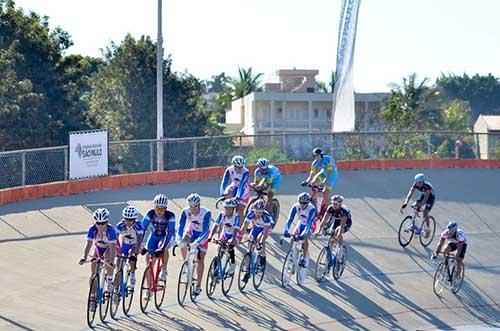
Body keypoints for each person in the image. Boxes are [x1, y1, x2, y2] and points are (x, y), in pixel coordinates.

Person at [79, 208, 117, 311]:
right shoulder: (92, 229)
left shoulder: (111, 230)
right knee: (93, 272)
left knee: (109, 259)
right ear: (95, 222)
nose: (100, 225)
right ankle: (92, 296)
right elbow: (89, 244)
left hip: (109, 248)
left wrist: (112, 262)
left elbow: (113, 248)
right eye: (98, 223)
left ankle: (109, 280)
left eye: (103, 223)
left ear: (107, 222)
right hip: (98, 247)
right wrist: (84, 257)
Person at [177, 193, 212, 296]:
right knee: (183, 241)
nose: (193, 209)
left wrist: (197, 242)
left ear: (199, 205)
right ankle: (187, 264)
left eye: (195, 206)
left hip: (202, 234)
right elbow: (180, 227)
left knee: (200, 259)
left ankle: (198, 286)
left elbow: (205, 230)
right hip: (192, 230)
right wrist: (179, 239)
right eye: (191, 206)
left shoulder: (206, 213)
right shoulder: (185, 211)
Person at [141, 194, 176, 283]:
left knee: (163, 247)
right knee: (149, 264)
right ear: (154, 207)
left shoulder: (170, 216)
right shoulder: (150, 213)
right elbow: (142, 229)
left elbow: (170, 233)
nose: (159, 211)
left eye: (162, 209)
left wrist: (162, 248)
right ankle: (149, 289)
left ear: (165, 208)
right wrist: (141, 244)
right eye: (157, 208)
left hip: (166, 236)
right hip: (153, 236)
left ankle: (164, 270)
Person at [316, 195, 352, 268]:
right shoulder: (330, 208)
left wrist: (338, 234)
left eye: (336, 204)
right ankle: (331, 256)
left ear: (340, 204)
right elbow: (324, 220)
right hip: (337, 221)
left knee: (337, 231)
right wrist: (319, 230)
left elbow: (342, 225)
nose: (334, 206)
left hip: (346, 222)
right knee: (332, 239)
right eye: (333, 203)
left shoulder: (343, 211)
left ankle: (341, 250)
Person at [284, 192, 317, 268]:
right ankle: (292, 255)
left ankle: (304, 258)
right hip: (301, 223)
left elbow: (309, 223)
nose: (302, 204)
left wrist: (304, 234)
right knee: (293, 238)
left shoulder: (311, 209)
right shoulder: (295, 206)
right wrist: (286, 230)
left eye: (304, 203)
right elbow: (290, 219)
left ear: (308, 202)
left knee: (305, 238)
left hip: (310, 225)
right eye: (301, 202)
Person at [208, 198, 241, 275]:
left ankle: (233, 263)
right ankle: (215, 270)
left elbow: (236, 230)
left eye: (230, 209)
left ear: (233, 209)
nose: (227, 210)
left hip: (235, 234)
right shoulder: (221, 214)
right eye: (226, 208)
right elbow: (215, 226)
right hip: (225, 233)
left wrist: (233, 240)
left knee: (230, 246)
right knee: (220, 249)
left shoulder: (236, 217)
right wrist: (210, 236)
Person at [301, 148, 338, 212]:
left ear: (321, 155)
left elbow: (329, 173)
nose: (316, 157)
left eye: (317, 156)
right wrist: (307, 182)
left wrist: (324, 183)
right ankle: (314, 200)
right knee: (313, 183)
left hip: (332, 174)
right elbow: (311, 174)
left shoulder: (328, 160)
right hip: (323, 172)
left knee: (325, 192)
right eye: (315, 156)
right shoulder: (314, 163)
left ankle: (328, 210)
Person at [115, 205, 144, 286]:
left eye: (130, 220)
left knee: (132, 257)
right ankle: (116, 290)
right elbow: (114, 239)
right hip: (125, 243)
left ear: (134, 220)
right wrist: (117, 250)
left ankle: (132, 274)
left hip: (135, 244)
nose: (128, 221)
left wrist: (134, 254)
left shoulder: (139, 226)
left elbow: (139, 241)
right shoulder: (120, 225)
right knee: (118, 264)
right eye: (126, 219)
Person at [240, 199, 272, 270]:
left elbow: (264, 234)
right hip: (256, 226)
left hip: (265, 228)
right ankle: (247, 269)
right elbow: (244, 227)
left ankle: (262, 257)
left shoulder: (266, 217)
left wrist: (261, 243)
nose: (257, 214)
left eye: (260, 212)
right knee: (250, 245)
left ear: (263, 211)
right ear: (253, 210)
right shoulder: (250, 214)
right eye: (256, 212)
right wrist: (239, 238)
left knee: (259, 241)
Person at [402, 173, 436, 238]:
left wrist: (419, 207)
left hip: (430, 198)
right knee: (414, 207)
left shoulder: (427, 187)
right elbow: (410, 193)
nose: (418, 184)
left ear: (423, 182)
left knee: (425, 211)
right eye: (417, 182)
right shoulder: (416, 184)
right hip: (423, 196)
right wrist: (406, 202)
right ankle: (416, 225)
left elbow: (425, 200)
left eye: (419, 183)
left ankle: (428, 227)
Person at [220, 155, 250, 221]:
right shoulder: (229, 170)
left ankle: (241, 230)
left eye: (241, 167)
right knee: (228, 206)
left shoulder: (246, 172)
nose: (239, 169)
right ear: (233, 165)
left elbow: (242, 185)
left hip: (243, 190)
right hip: (233, 186)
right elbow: (224, 182)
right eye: (237, 167)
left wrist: (237, 197)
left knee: (239, 210)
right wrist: (222, 194)